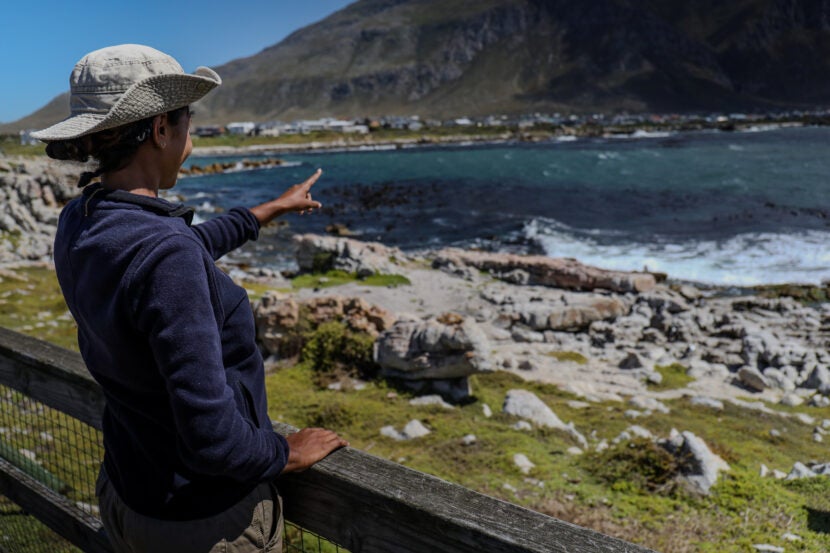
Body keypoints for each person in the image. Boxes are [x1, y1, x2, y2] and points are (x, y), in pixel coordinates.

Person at [32, 44, 347, 553]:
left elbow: (180, 252)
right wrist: (282, 453)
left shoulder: (84, 218)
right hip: (203, 523)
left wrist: (268, 209)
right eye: (187, 124)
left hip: (130, 493)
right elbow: (214, 438)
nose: (190, 141)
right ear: (160, 129)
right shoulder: (163, 251)